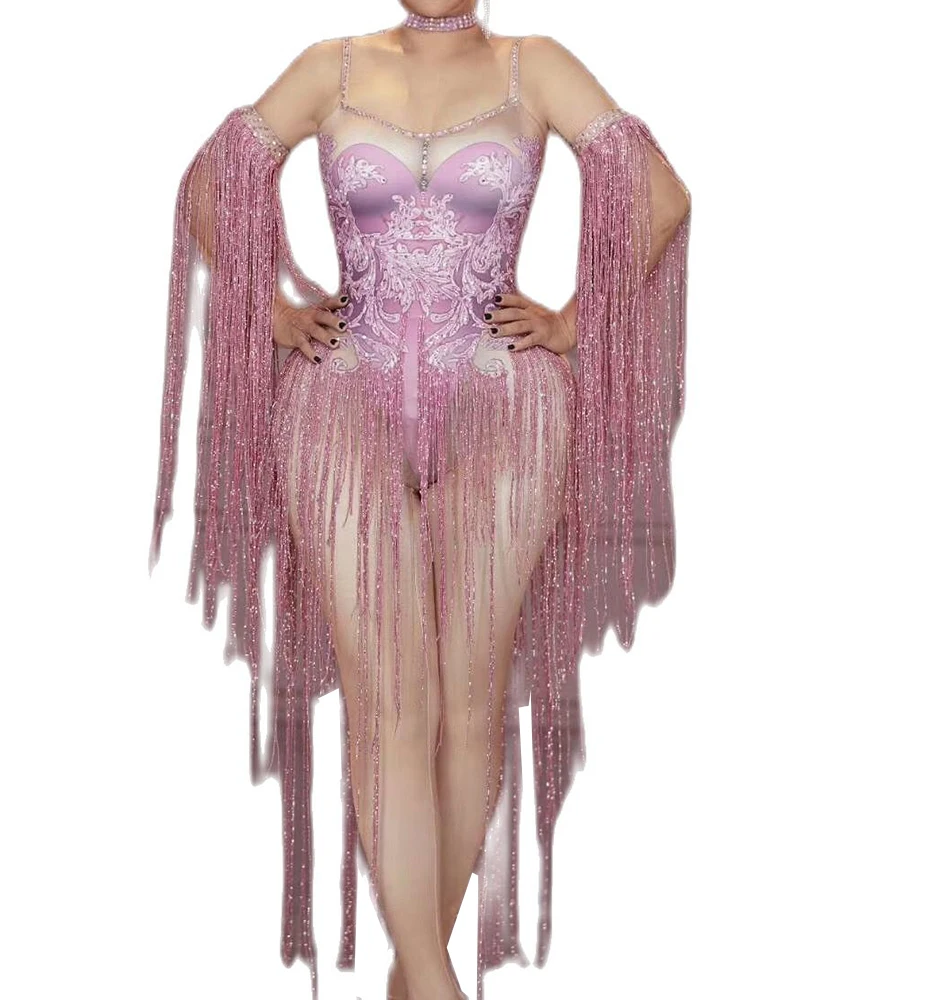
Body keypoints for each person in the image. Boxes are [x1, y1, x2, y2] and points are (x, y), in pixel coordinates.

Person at [148, 3, 691, 999]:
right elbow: (209, 187)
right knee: (389, 703)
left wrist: (574, 323)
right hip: (340, 401)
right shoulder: (329, 66)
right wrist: (273, 312)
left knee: (469, 701)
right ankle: (437, 988)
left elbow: (657, 196)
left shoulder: (537, 66)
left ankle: (416, 983)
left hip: (502, 400)